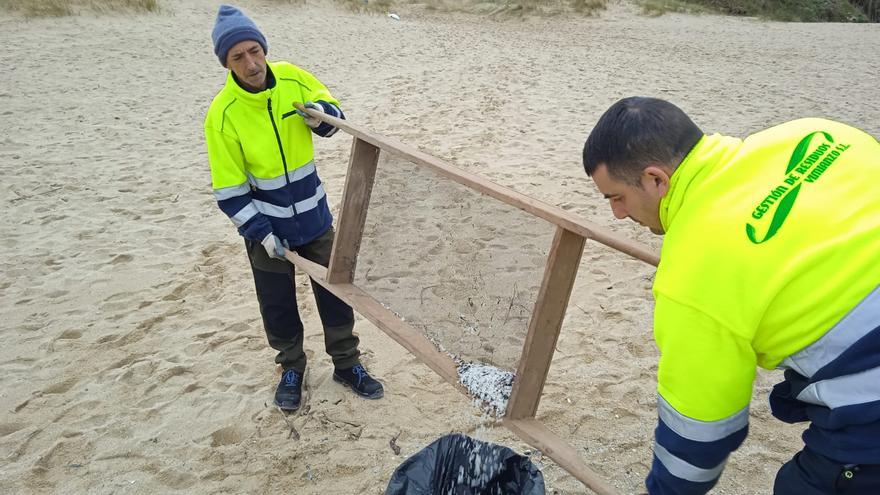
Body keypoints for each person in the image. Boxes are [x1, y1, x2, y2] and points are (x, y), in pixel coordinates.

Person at [581, 97, 880, 494]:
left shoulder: (693, 271)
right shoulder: (821, 134)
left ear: (656, 179)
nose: (618, 214)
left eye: (615, 197)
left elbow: (699, 435)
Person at [204, 4, 383, 413]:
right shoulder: (222, 116)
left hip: (315, 220)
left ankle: (347, 363)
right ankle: (291, 368)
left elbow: (332, 112)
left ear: (263, 48)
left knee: (336, 290)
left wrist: (323, 118)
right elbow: (229, 192)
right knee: (277, 302)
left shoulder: (292, 77)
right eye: (239, 57)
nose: (251, 63)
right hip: (268, 231)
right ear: (226, 63)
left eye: (255, 51)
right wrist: (264, 234)